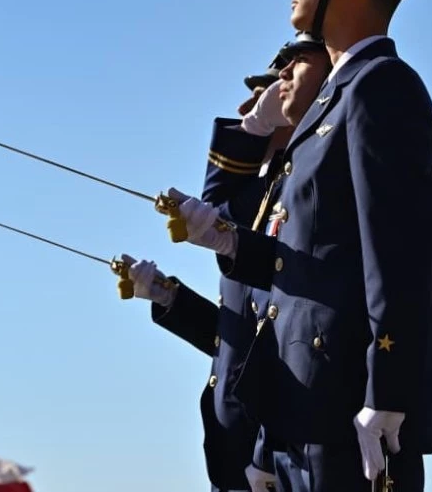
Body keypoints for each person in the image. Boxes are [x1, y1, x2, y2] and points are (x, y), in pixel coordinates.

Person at [163, 0, 432, 492]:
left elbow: (399, 257)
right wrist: (228, 240)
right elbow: (307, 267)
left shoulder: (380, 85)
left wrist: (386, 394)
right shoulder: (332, 103)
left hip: (350, 413)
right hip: (302, 413)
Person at [122, 35, 331, 492]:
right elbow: (234, 338)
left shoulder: (294, 193)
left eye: (260, 95)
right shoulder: (264, 194)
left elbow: (290, 332)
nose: (244, 109)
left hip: (275, 448)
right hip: (240, 447)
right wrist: (170, 298)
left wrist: (268, 451)